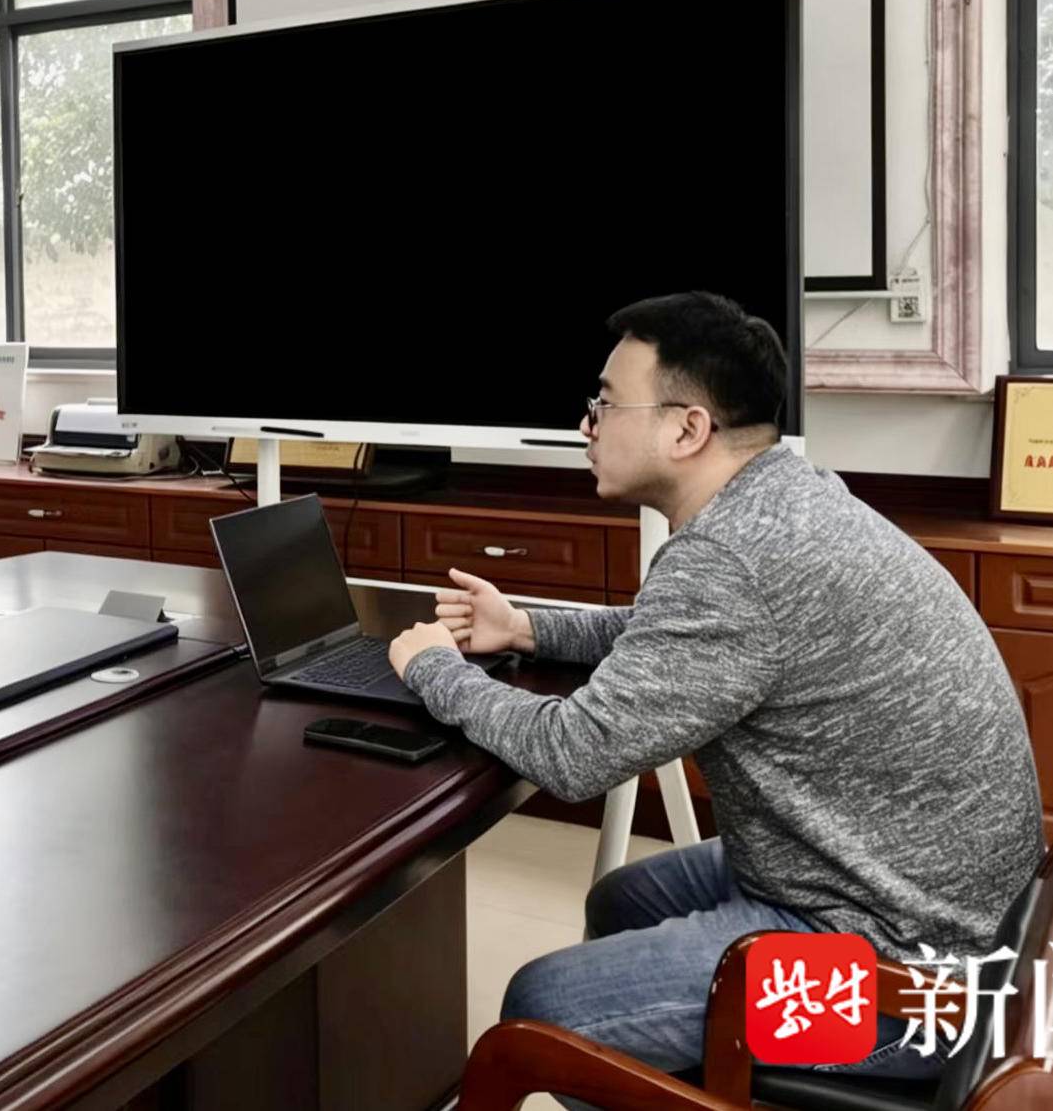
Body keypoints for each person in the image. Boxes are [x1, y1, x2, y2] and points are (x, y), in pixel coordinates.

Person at [386, 291, 1041, 1083]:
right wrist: (526, 627)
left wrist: (434, 669)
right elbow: (675, 634)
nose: (587, 424)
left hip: (910, 993)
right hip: (940, 919)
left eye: (605, 403)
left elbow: (572, 753)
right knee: (621, 901)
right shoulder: (783, 499)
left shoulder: (730, 559)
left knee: (542, 1008)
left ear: (686, 428)